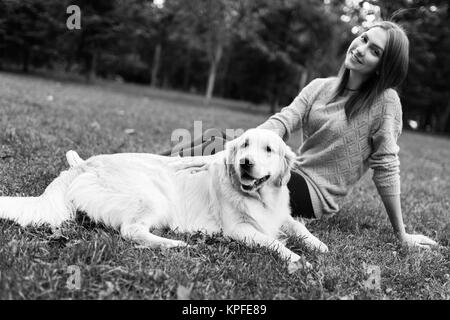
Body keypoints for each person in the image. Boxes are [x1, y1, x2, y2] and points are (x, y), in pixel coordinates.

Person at [161, 21, 438, 249]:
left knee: (219, 148)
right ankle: (155, 167)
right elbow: (284, 120)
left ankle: (160, 169)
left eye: (375, 51)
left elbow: (386, 167)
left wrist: (402, 233)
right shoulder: (320, 87)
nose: (361, 49)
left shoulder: (385, 102)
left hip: (313, 193)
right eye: (364, 39)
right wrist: (241, 148)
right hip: (292, 172)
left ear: (383, 67)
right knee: (217, 139)